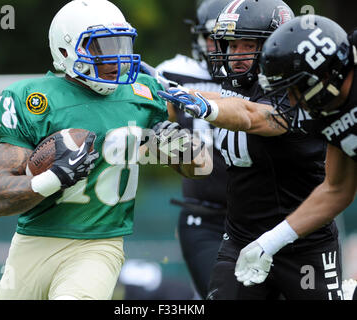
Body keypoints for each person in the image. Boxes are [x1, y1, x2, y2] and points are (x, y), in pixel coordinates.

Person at [0, 0, 208, 300]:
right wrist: (56, 176)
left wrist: (181, 149)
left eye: (120, 45)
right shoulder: (32, 98)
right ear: (65, 50)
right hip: (31, 243)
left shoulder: (144, 94)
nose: (115, 58)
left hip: (99, 246)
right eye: (101, 48)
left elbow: (199, 168)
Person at [158, 1, 346, 300]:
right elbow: (225, 105)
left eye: (247, 45)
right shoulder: (237, 86)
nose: (235, 55)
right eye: (231, 45)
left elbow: (253, 116)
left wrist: (205, 105)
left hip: (305, 244)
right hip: (240, 239)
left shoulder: (294, 88)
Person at [231, 15, 357, 300]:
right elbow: (336, 190)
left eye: (293, 88)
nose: (289, 102)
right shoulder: (328, 112)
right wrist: (269, 242)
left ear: (325, 75)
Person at [141, 0, 228, 299]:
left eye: (231, 39)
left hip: (261, 212)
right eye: (213, 37)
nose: (220, 46)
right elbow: (150, 130)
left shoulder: (263, 78)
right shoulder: (173, 73)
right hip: (203, 214)